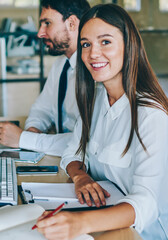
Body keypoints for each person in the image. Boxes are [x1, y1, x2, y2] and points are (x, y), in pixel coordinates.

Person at [35, 3, 168, 240]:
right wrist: (81, 177)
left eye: (105, 41)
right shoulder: (96, 101)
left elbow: (146, 202)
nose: (93, 53)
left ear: (129, 46)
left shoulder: (151, 115)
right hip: (99, 220)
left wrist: (79, 222)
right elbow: (71, 153)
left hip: (142, 233)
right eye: (86, 44)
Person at [0, 0, 90, 156]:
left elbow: (84, 141)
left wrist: (24, 139)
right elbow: (42, 109)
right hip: (61, 158)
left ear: (72, 23)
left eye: (47, 23)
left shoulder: (95, 71)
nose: (40, 33)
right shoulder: (61, 65)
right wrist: (33, 129)